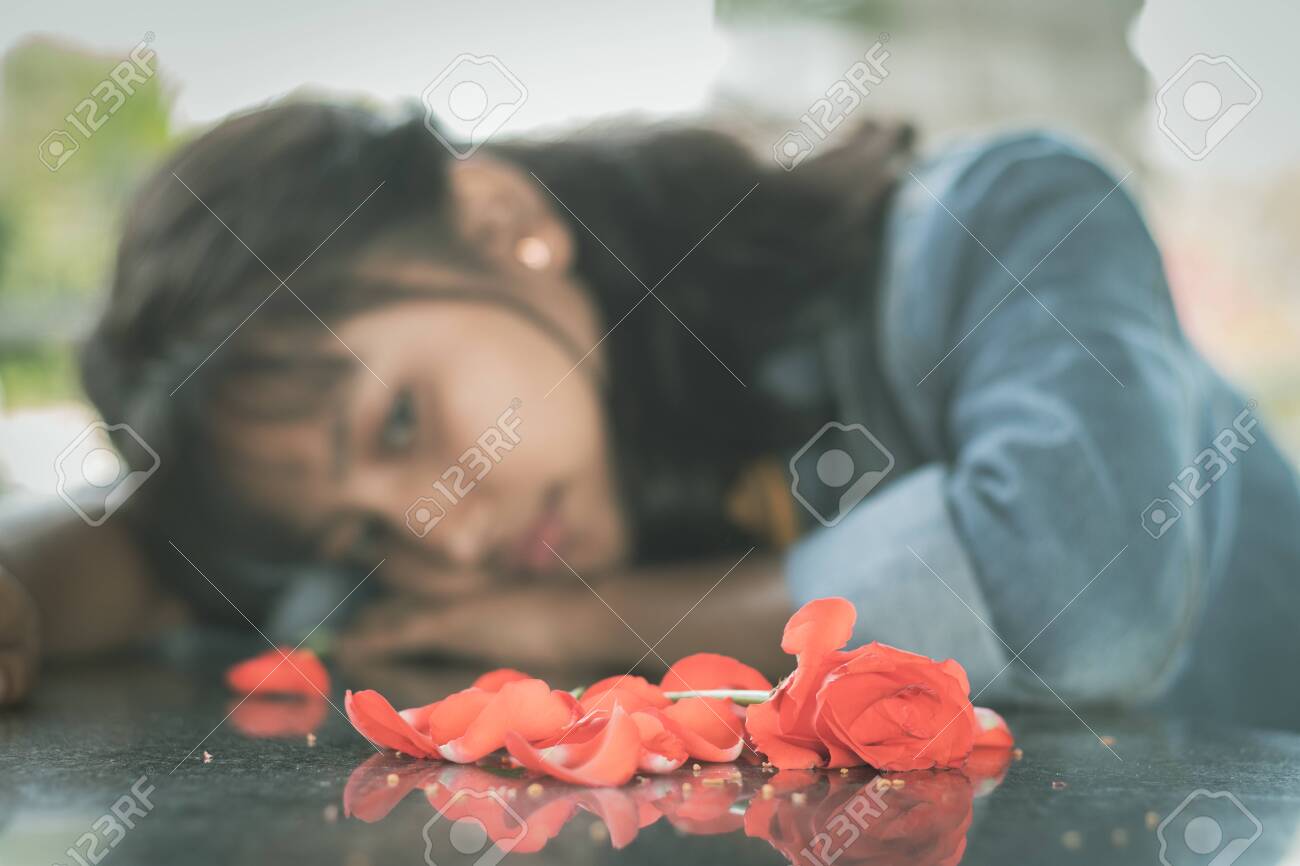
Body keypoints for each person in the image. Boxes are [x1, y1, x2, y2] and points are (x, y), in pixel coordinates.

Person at [2, 101, 1298, 730]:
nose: (439, 539)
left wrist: (599, 625)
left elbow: (1087, 598)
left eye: (401, 422)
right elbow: (160, 558)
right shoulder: (465, 549)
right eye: (359, 529)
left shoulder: (1005, 223)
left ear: (509, 228)